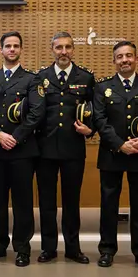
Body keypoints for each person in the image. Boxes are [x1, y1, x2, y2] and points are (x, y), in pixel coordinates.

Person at [93, 41, 138, 270]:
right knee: (108, 205)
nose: (125, 60)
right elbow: (99, 120)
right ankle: (107, 250)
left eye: (129, 56)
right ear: (114, 61)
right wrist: (119, 144)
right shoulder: (102, 87)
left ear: (136, 59)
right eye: (120, 56)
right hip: (112, 154)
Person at [0, 31, 45, 267]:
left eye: (16, 46)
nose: (11, 49)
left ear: (20, 50)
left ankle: (22, 248)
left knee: (22, 202)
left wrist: (15, 138)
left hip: (22, 151)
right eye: (8, 46)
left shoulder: (32, 80)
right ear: (0, 50)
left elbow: (36, 113)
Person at [36, 31, 95, 264]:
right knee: (46, 201)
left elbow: (95, 111)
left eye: (68, 47)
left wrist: (90, 130)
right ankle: (48, 248)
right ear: (52, 49)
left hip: (73, 149)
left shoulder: (86, 78)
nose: (63, 52)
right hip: (45, 149)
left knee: (72, 201)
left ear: (73, 49)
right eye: (59, 47)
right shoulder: (41, 77)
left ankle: (73, 248)